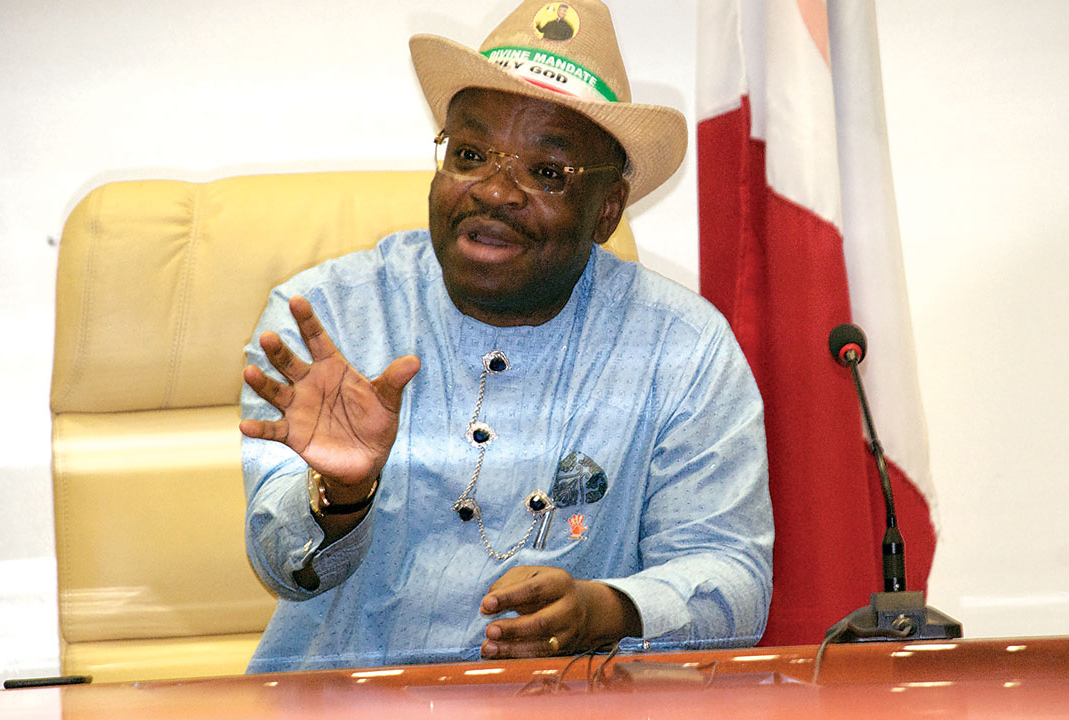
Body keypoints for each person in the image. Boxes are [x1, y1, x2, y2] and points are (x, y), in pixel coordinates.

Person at [239, 0, 773, 673]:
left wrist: (607, 611)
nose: (495, 192)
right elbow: (282, 567)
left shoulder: (683, 348)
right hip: (344, 699)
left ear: (607, 211)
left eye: (547, 173)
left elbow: (731, 576)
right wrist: (339, 496)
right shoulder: (327, 320)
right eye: (470, 155)